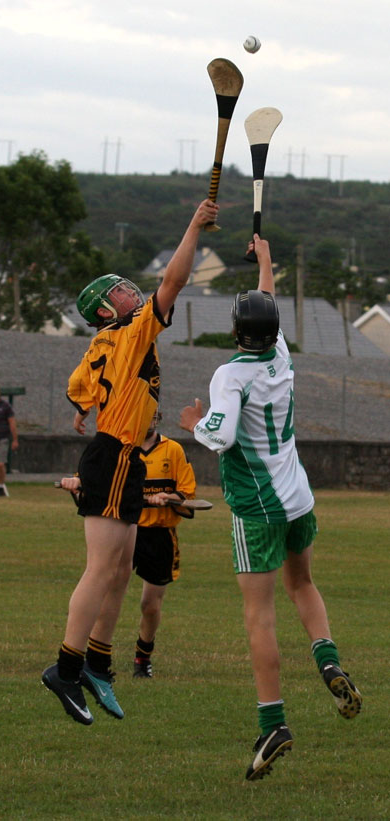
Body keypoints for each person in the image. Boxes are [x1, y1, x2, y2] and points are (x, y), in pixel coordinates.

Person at [179, 234, 362, 781]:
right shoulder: (281, 355)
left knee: (259, 615)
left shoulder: (229, 375)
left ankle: (274, 723)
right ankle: (327, 660)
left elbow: (223, 431)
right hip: (299, 497)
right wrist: (265, 262)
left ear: (237, 333)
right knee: (302, 584)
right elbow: (267, 308)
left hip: (257, 509)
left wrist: (195, 425)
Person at [41, 198, 218, 726]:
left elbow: (81, 383)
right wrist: (192, 225)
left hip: (121, 456)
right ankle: (65, 670)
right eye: (117, 290)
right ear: (104, 309)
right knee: (102, 569)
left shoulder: (104, 339)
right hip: (116, 454)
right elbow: (176, 282)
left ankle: (97, 662)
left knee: (120, 570)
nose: (128, 291)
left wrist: (81, 408)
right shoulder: (132, 327)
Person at [132, 409, 196, 678]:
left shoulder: (174, 451)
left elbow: (188, 497)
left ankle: (142, 658)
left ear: (156, 418)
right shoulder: (123, 448)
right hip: (127, 530)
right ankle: (96, 658)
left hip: (159, 535)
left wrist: (169, 497)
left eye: (148, 414)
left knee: (150, 604)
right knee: (105, 593)